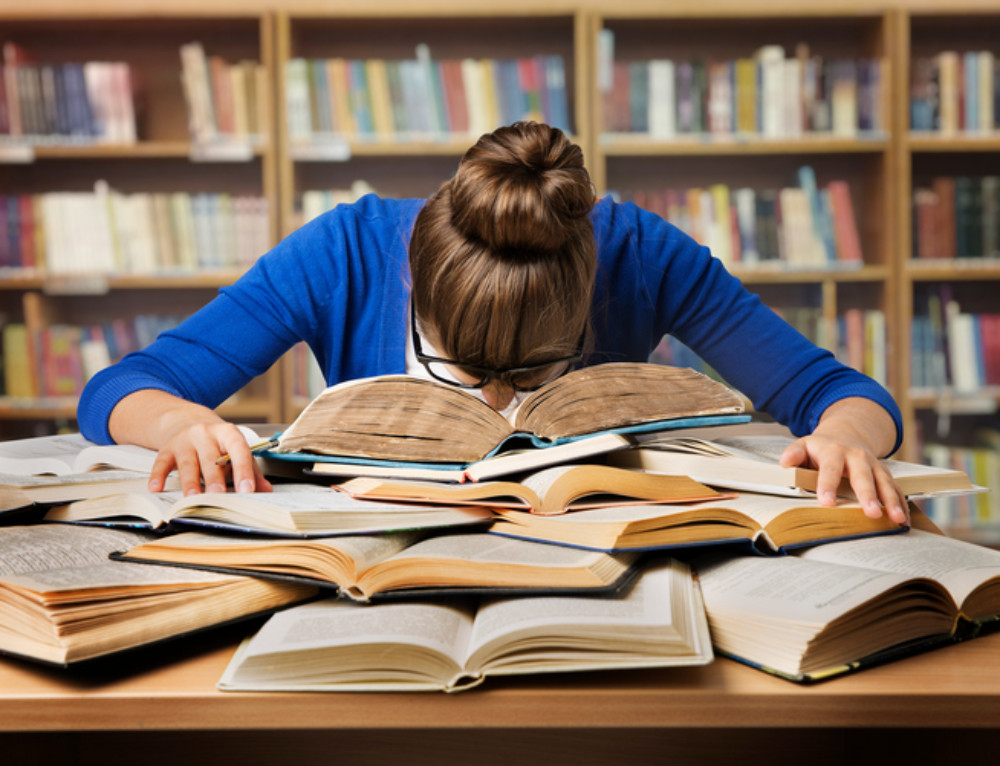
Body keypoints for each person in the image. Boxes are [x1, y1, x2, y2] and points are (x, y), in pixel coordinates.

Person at [78, 121, 908, 524]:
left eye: (537, 376)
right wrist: (181, 421)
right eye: (459, 373)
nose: (499, 412)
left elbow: (838, 391)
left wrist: (846, 439)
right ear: (415, 289)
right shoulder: (344, 253)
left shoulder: (640, 253)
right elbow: (120, 390)